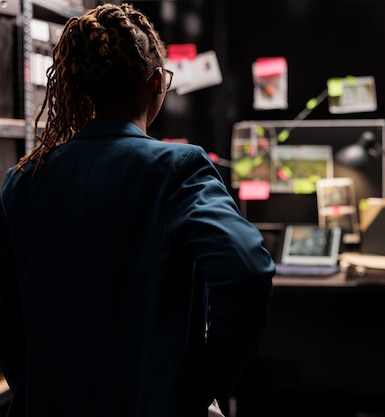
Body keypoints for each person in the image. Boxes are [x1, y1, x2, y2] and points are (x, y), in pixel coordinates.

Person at [0, 3, 274, 416]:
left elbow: (6, 312)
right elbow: (249, 270)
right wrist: (201, 386)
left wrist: (36, 385)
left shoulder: (21, 181)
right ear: (155, 84)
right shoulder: (178, 168)